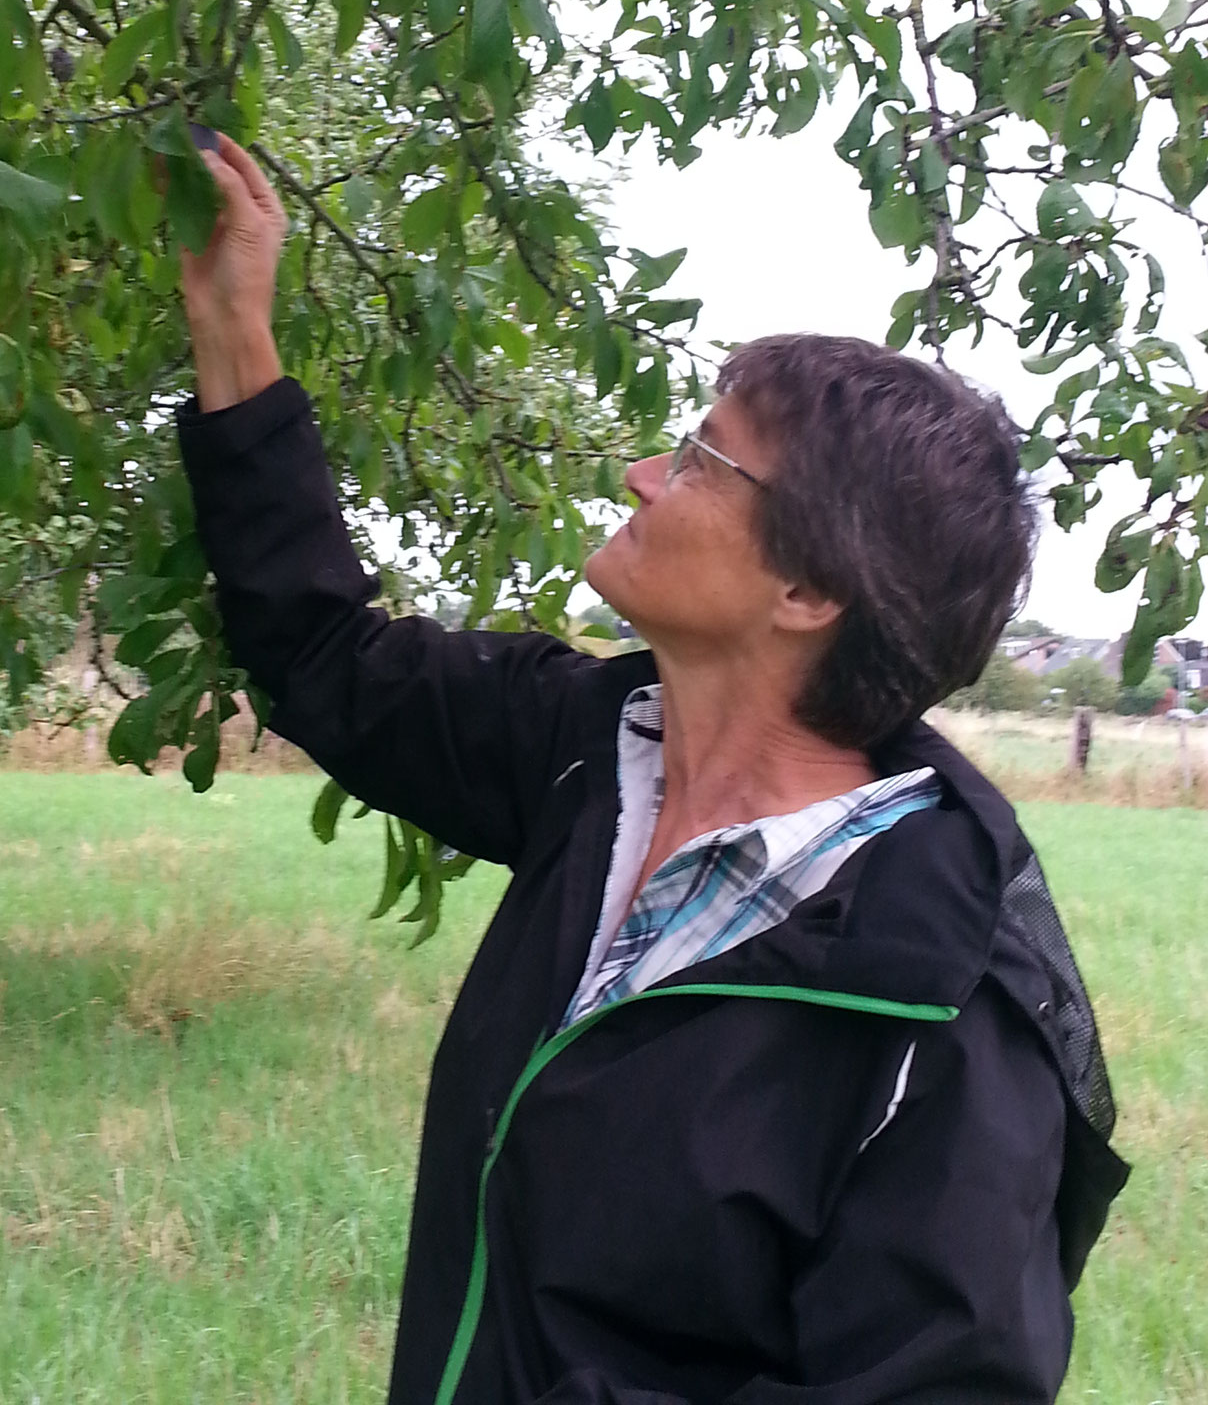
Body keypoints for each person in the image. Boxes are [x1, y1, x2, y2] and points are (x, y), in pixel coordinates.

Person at [173, 135, 1128, 1405]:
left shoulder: (943, 1008)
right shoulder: (590, 748)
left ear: (807, 586)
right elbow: (326, 653)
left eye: (698, 458)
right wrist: (236, 326)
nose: (641, 472)